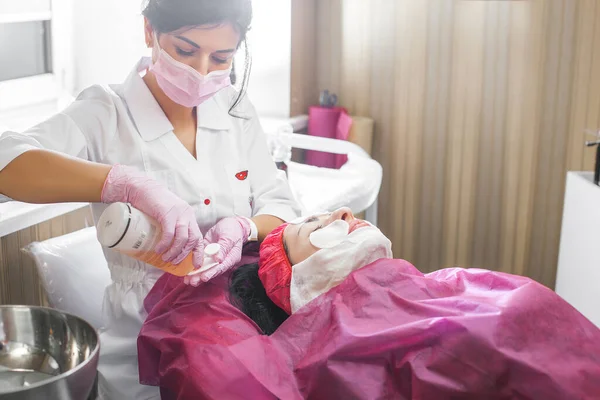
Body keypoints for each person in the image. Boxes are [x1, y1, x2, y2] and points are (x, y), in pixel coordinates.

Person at [0, 1, 300, 398]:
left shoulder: (235, 109)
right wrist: (120, 183)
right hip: (142, 349)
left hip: (239, 332)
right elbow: (8, 162)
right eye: (185, 50)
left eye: (221, 57)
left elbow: (281, 207)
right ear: (149, 32)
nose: (201, 71)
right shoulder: (105, 112)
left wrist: (243, 227)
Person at [139, 206, 600, 399]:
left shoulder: (447, 285)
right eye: (313, 225)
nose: (343, 212)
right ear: (295, 282)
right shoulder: (318, 352)